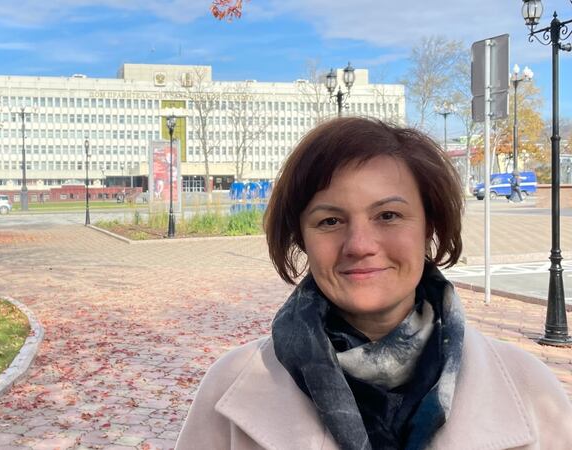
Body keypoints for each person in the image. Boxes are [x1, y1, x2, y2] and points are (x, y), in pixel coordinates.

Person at [175, 117, 572, 450]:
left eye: (388, 215)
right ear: (301, 238)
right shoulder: (229, 389)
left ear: (429, 226)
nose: (360, 246)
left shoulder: (528, 389)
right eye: (330, 221)